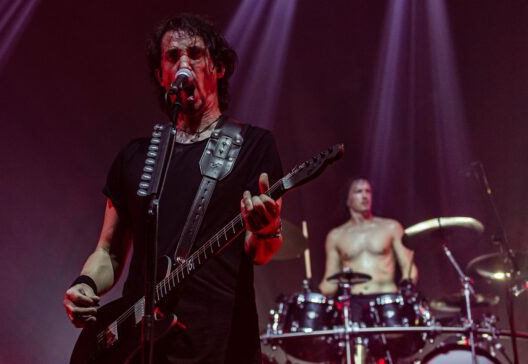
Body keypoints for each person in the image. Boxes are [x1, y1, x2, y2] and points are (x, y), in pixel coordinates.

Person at [64, 14, 283, 363]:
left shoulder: (253, 146)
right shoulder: (136, 157)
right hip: (138, 346)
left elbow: (260, 252)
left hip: (220, 344)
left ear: (219, 68)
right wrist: (85, 285)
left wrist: (267, 229)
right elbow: (109, 252)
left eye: (195, 53)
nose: (184, 63)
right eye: (172, 56)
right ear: (160, 75)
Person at [318, 177, 418, 306]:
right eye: (358, 191)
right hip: (354, 301)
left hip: (387, 299)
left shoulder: (391, 227)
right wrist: (312, 295)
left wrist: (403, 295)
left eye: (368, 191)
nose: (364, 196)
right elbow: (330, 282)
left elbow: (409, 268)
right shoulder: (336, 236)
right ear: (348, 200)